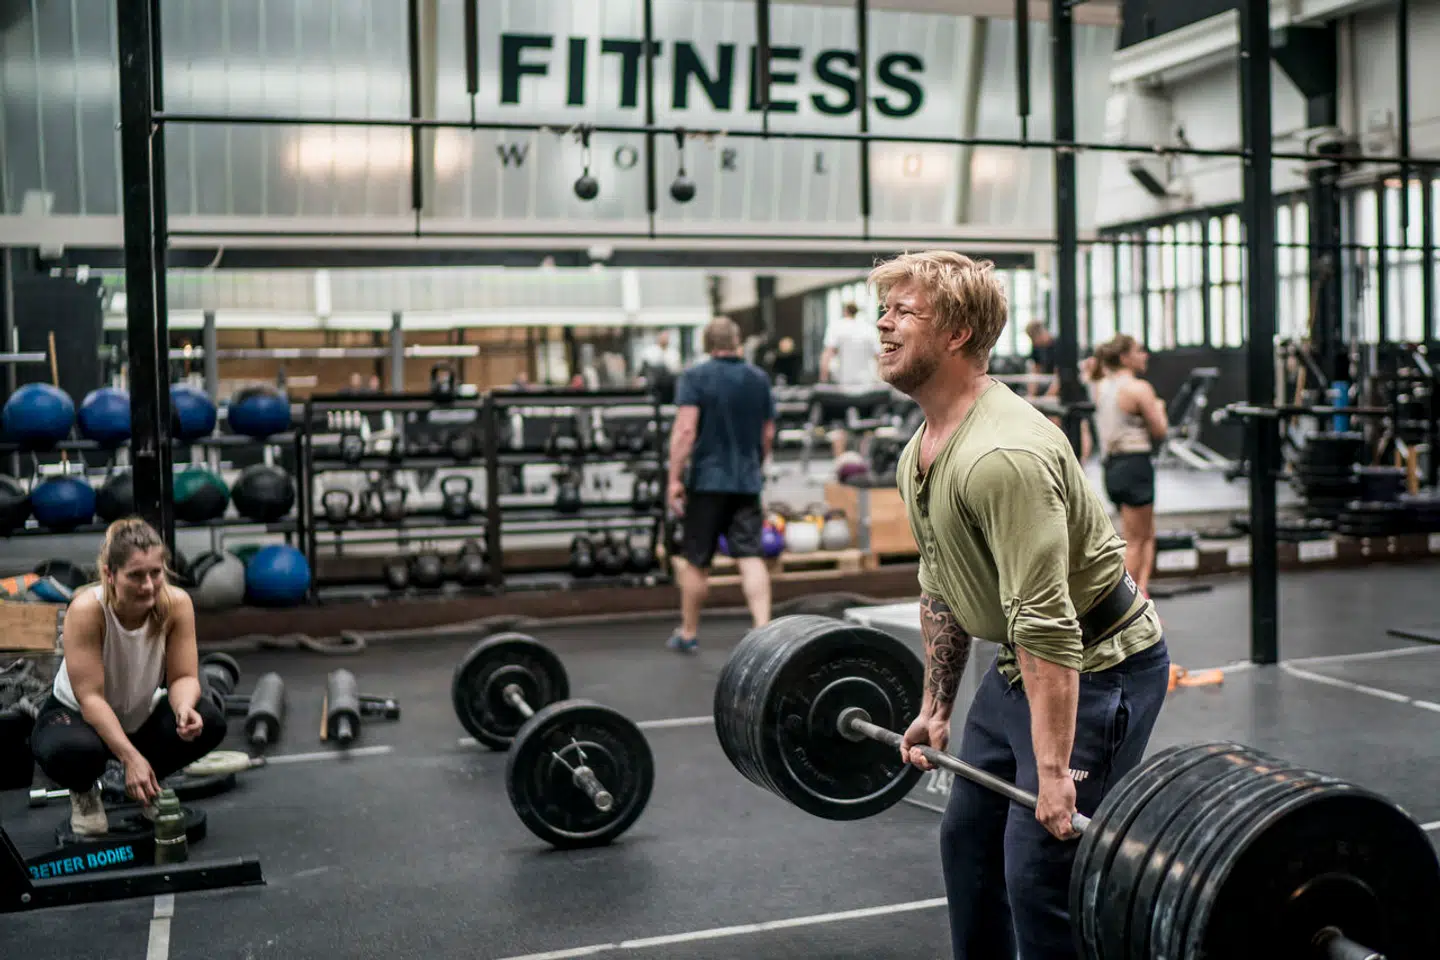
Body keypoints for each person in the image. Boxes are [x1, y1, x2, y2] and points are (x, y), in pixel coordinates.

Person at [871, 251, 1171, 960]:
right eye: (882, 310)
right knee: (968, 846)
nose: (883, 325)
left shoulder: (1002, 455)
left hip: (1097, 671)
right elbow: (942, 582)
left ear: (955, 332)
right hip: (1020, 669)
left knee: (1040, 875)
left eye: (902, 311)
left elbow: (1049, 625)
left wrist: (1056, 772)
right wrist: (936, 707)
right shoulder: (923, 447)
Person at [29, 518, 227, 836]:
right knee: (73, 751)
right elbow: (91, 699)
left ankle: (148, 781)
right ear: (109, 574)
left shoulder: (176, 605)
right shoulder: (87, 610)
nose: (148, 585)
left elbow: (184, 677)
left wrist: (183, 708)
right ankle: (85, 793)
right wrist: (129, 757)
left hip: (136, 719)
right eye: (135, 575)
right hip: (79, 720)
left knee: (208, 720)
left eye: (155, 573)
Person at [664, 317, 775, 652]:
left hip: (707, 482)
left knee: (697, 560)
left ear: (707, 344)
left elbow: (685, 430)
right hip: (745, 481)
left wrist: (673, 479)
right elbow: (768, 433)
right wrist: (756, 464)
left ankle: (687, 633)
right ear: (737, 340)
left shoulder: (695, 377)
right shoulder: (758, 379)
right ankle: (764, 630)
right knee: (750, 555)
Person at [1090, 333, 1168, 596]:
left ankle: (1142, 593)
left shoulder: (1101, 386)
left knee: (1144, 535)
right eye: (1139, 350)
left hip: (1112, 468)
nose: (1144, 355)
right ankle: (1125, 607)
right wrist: (1160, 408)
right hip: (1134, 464)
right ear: (1125, 357)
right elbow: (1160, 431)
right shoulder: (1139, 389)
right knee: (1136, 541)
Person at [819, 301, 884, 457]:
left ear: (845, 311)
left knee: (839, 428)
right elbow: (880, 358)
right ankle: (864, 465)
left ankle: (840, 465)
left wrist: (823, 380)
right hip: (867, 388)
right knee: (867, 428)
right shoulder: (868, 329)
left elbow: (827, 355)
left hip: (844, 389)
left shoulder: (837, 327)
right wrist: (883, 381)